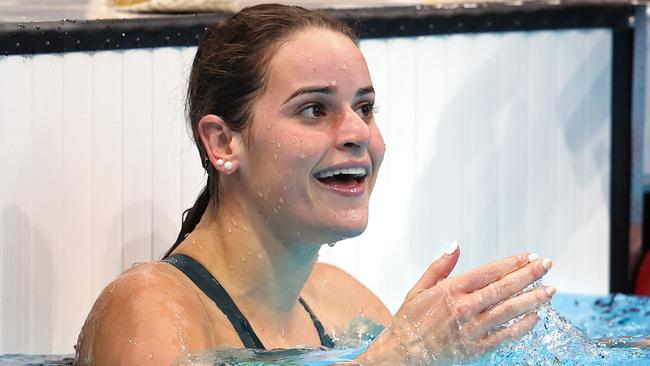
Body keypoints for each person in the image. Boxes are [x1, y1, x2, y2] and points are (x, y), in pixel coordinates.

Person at [73, 4, 555, 365]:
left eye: (364, 108)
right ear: (223, 142)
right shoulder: (152, 309)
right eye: (314, 110)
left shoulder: (346, 306)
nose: (357, 133)